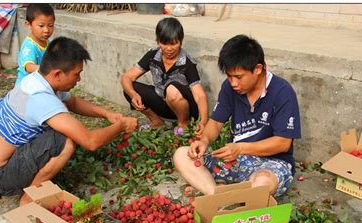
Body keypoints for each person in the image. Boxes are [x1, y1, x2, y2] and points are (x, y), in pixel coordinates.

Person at [0, 37, 138, 205]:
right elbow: (91, 141)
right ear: (57, 74)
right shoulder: (40, 98)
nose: (79, 80)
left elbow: (73, 102)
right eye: (76, 74)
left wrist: (107, 114)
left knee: (64, 129)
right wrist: (121, 125)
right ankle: (29, 198)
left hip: (7, 162)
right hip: (1, 177)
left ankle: (35, 180)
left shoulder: (38, 79)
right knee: (65, 142)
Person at [173, 35, 301, 197]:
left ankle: (223, 188)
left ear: (258, 69)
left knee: (262, 182)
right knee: (182, 155)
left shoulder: (282, 92)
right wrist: (204, 141)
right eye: (229, 76)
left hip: (272, 163)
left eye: (239, 77)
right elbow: (216, 122)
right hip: (235, 160)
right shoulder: (230, 88)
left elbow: (282, 143)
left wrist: (240, 148)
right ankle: (217, 196)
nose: (233, 83)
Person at [121, 17, 208, 138]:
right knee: (129, 88)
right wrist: (133, 94)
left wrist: (203, 122)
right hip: (163, 103)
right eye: (164, 43)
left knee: (171, 89)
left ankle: (183, 125)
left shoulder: (187, 63)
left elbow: (200, 95)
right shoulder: (153, 55)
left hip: (183, 106)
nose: (168, 48)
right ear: (158, 41)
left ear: (180, 42)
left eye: (173, 43)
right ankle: (157, 123)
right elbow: (127, 77)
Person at [15, 4, 55, 86]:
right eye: (41, 26)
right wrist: (49, 69)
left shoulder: (48, 42)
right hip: (26, 89)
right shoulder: (29, 46)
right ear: (28, 24)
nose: (46, 30)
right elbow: (29, 67)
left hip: (40, 84)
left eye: (50, 25)